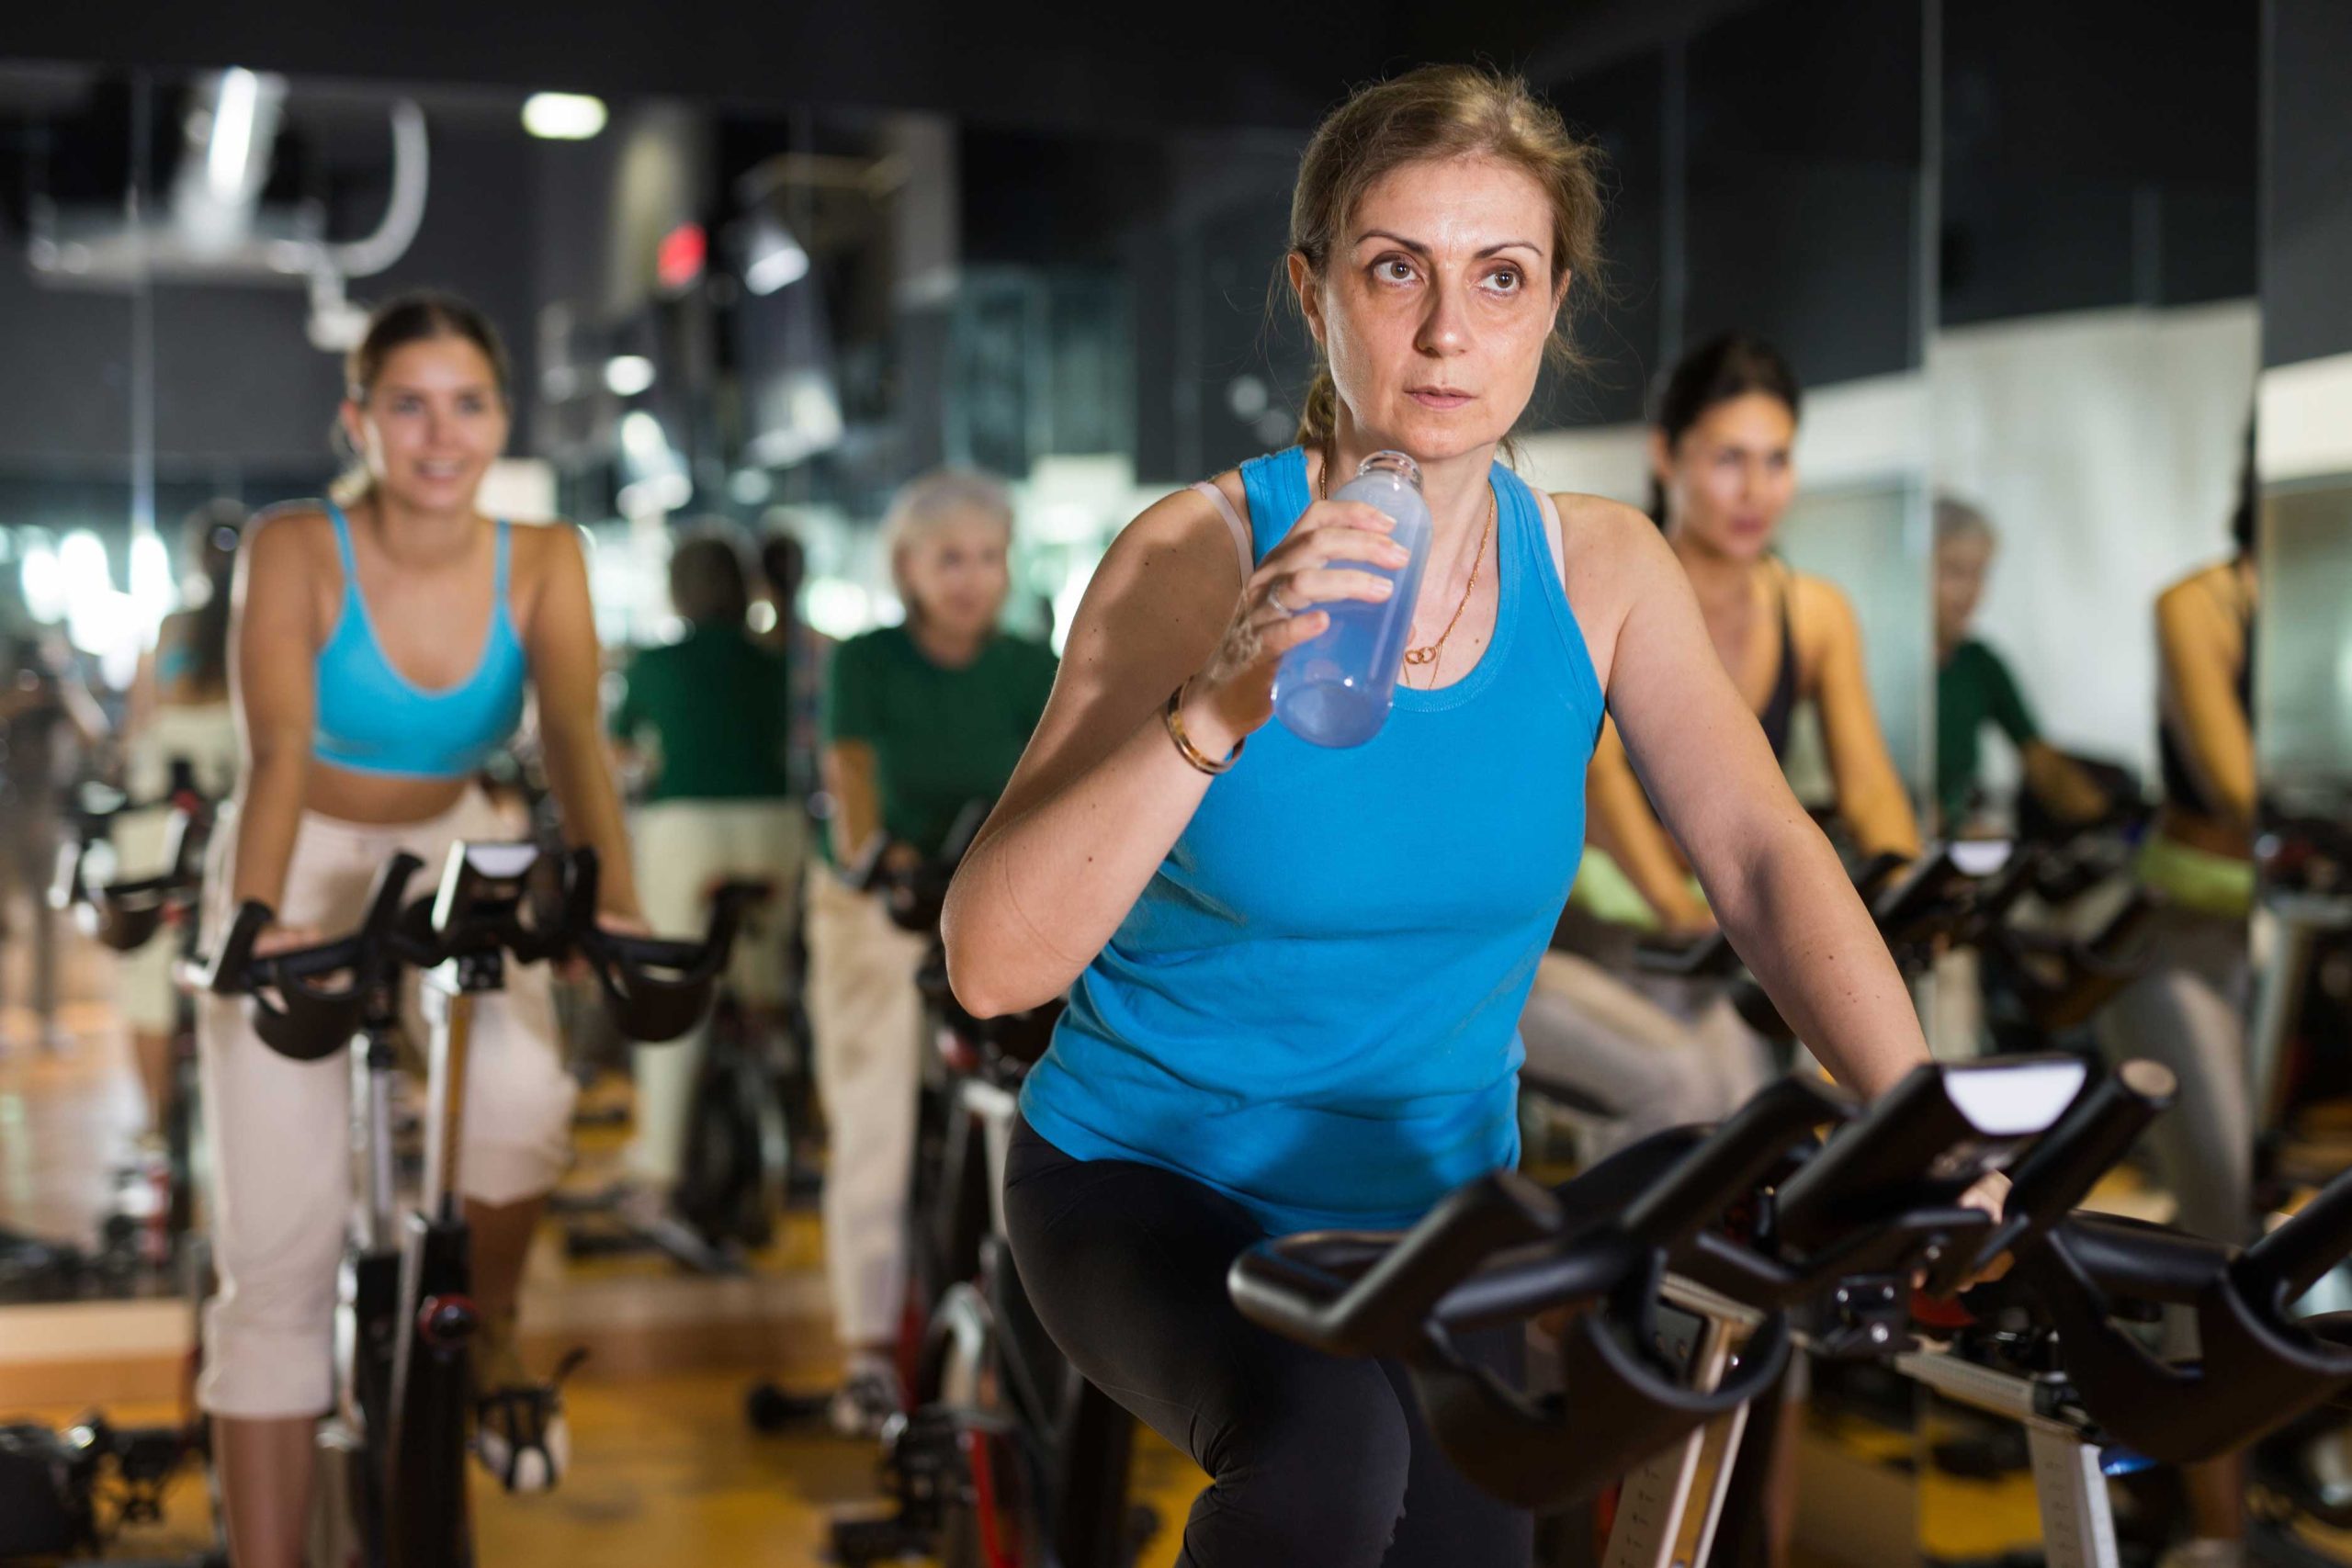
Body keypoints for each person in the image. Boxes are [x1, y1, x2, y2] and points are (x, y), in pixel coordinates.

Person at [941, 66, 2000, 1568]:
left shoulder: (1601, 568)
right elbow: (992, 966)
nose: (1448, 331)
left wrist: (1921, 1124)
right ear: (1313, 291)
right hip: (1152, 1175)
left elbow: (1763, 858)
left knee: (1479, 1510)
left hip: (1438, 1210)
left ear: (1551, 304)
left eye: (1500, 278)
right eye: (1396, 270)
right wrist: (1216, 708)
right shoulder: (1192, 551)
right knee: (1327, 1452)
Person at [199, 290, 642, 1568]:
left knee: (522, 1093)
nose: (440, 434)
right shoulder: (298, 543)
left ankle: (486, 1320)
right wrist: (258, 914)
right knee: (278, 1245)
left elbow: (570, 735)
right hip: (297, 845)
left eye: (468, 403)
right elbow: (276, 746)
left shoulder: (547, 551)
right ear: (360, 418)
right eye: (408, 402)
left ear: (500, 417)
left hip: (456, 837)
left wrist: (606, 889)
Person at [809, 468, 1056, 1437]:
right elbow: (852, 769)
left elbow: (1064, 767)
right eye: (947, 559)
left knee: (1031, 1112)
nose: (970, 578)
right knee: (871, 1117)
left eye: (987, 558)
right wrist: (878, 855)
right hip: (880, 904)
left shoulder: (1032, 663)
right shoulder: (866, 661)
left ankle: (1029, 1339)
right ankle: (866, 1352)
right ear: (907, 569)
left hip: (998, 904)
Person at [1587, 331, 1921, 940]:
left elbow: (1869, 787)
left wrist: (1913, 890)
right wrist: (1684, 915)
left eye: (1776, 461)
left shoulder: (1817, 614)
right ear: (1665, 456)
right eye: (1728, 459)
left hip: (1735, 906)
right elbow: (1600, 779)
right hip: (1614, 905)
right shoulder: (1608, 593)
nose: (1756, 493)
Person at [607, 525, 804, 1212]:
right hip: (775, 828)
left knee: (673, 993)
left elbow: (622, 748)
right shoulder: (777, 659)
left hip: (684, 828)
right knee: (769, 985)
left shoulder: (654, 664)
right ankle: (789, 1107)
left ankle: (657, 1169)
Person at [116, 500, 247, 1134]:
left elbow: (139, 723)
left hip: (158, 810)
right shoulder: (261, 628)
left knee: (146, 973)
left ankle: (156, 1127)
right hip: (233, 807)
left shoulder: (172, 628)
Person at [1932, 496, 2109, 835]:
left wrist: (2103, 816)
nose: (1971, 592)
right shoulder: (1878, 663)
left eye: (1980, 573)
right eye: (1953, 571)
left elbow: (2038, 757)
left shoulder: (1979, 662)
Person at [0, 619, 107, 1053]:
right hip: (7, 807)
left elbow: (94, 735)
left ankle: (47, 1017)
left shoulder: (65, 694)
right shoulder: (12, 693)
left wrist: (65, 692)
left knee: (49, 920)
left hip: (49, 809)